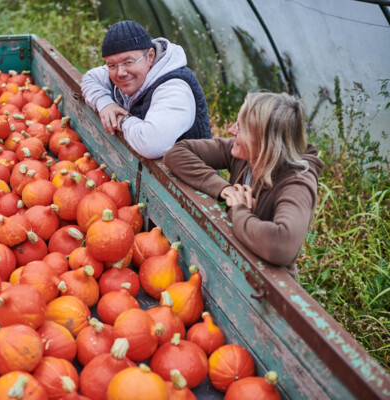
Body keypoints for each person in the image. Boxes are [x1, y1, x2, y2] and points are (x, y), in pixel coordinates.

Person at [163, 92, 324, 276]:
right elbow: (176, 154)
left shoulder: (297, 184)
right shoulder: (246, 154)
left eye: (240, 127)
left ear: (264, 141)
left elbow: (282, 244)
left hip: (264, 287)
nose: (231, 130)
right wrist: (224, 189)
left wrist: (238, 209)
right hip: (231, 266)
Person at [81, 20, 211, 159]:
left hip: (189, 178)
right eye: (112, 65)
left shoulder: (173, 88)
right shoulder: (125, 72)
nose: (120, 73)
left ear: (150, 56)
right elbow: (90, 78)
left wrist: (123, 120)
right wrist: (105, 104)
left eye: (128, 62)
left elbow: (152, 144)